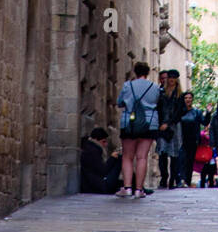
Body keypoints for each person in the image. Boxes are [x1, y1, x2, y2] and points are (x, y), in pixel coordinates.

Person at [117, 62, 160, 197]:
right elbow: (157, 102)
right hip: (149, 123)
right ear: (147, 73)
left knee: (127, 156)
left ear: (135, 72)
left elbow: (119, 102)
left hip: (130, 122)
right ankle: (139, 189)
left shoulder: (127, 85)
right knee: (142, 157)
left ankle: (127, 187)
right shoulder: (155, 87)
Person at [157, 68, 186, 188]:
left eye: (174, 78)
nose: (171, 80)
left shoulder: (180, 95)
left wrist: (168, 123)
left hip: (174, 127)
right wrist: (160, 124)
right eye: (170, 78)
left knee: (174, 154)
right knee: (162, 153)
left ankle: (173, 179)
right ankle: (164, 177)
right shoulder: (161, 93)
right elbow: (158, 109)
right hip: (162, 126)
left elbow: (180, 112)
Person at [80, 127, 121, 194]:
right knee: (120, 159)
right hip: (97, 186)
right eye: (103, 142)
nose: (105, 145)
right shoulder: (92, 151)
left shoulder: (89, 148)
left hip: (95, 184)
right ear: (96, 139)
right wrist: (112, 158)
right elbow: (103, 171)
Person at [179, 91, 203, 186]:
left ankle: (187, 181)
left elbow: (204, 122)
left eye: (189, 98)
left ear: (192, 99)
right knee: (181, 160)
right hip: (181, 139)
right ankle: (181, 179)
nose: (188, 100)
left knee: (190, 161)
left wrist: (208, 113)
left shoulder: (197, 112)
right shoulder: (179, 112)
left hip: (193, 140)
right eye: (186, 98)